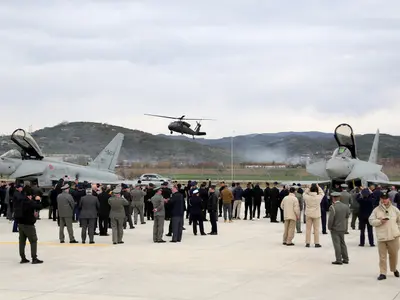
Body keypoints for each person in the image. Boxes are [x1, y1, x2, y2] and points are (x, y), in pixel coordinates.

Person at [369, 190, 400, 281]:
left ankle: (394, 269)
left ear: (389, 199)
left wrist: (397, 230)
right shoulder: (376, 210)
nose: (384, 201)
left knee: (394, 255)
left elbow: (399, 221)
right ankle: (383, 272)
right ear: (380, 199)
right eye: (382, 199)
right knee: (382, 256)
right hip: (382, 237)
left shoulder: (395, 210)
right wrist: (380, 221)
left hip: (393, 236)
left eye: (385, 199)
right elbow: (371, 221)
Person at [16, 190, 43, 264]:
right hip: (29, 225)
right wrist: (38, 200)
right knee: (33, 241)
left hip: (20, 224)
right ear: (29, 195)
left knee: (22, 242)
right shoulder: (29, 202)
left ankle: (23, 257)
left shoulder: (20, 201)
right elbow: (39, 207)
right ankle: (34, 258)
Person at [328, 191, 350, 265]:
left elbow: (331, 219)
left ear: (333, 198)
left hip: (335, 228)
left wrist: (329, 227)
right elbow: (347, 216)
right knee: (342, 243)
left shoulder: (333, 207)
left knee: (337, 244)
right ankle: (346, 258)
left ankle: (338, 259)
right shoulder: (345, 206)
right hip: (343, 227)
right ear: (339, 198)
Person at [303, 183, 324, 248]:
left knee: (308, 229)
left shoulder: (307, 197)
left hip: (308, 214)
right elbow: (322, 193)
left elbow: (304, 193)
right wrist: (318, 187)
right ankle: (316, 243)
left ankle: (307, 242)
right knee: (316, 229)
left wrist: (309, 188)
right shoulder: (318, 197)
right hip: (316, 214)